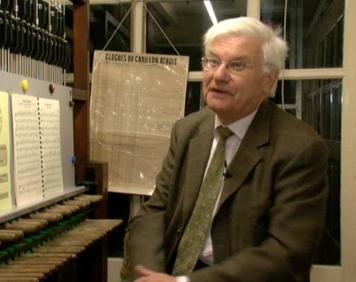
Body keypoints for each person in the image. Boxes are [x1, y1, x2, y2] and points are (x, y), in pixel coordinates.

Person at [121, 17, 329, 282]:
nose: (219, 75)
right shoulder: (187, 130)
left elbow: (287, 253)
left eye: (237, 65)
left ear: (268, 79)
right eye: (213, 61)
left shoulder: (300, 148)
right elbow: (154, 212)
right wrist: (148, 275)